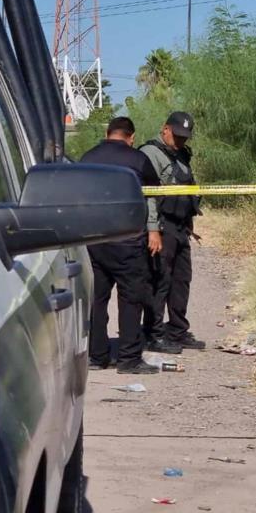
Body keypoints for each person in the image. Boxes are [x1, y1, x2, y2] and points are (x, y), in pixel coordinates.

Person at [79, 117, 176, 375]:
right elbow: (154, 190)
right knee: (130, 298)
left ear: (107, 132)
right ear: (131, 137)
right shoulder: (137, 159)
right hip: (127, 240)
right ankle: (129, 359)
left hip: (94, 240)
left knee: (97, 300)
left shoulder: (87, 158)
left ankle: (97, 356)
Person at [139, 112, 206, 351]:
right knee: (160, 280)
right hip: (162, 226)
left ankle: (178, 330)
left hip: (180, 227)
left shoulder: (181, 155)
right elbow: (148, 195)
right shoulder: (150, 153)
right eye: (176, 136)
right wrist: (152, 229)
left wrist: (190, 221)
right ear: (165, 129)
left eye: (184, 137)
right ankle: (154, 333)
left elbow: (187, 189)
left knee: (181, 280)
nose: (180, 141)